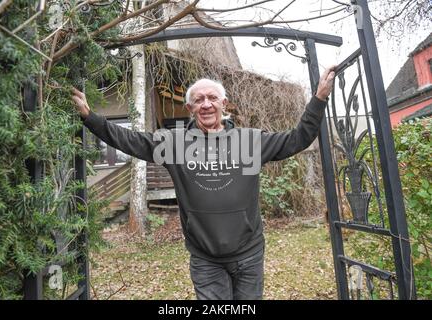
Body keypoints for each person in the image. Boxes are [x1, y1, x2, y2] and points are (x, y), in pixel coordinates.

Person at [72, 67, 335, 300]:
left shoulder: (252, 141)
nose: (206, 104)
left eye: (212, 98)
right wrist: (90, 116)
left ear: (224, 103)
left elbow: (299, 138)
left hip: (249, 254)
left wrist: (319, 98)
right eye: (199, 100)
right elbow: (131, 141)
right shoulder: (174, 144)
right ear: (190, 108)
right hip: (205, 259)